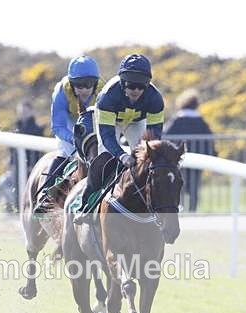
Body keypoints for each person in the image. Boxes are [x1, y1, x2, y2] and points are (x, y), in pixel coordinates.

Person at [73, 54, 165, 223]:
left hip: (137, 122)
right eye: (131, 85)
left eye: (141, 86)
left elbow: (154, 137)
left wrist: (142, 153)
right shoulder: (108, 97)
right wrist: (121, 155)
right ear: (123, 83)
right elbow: (107, 137)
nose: (136, 90)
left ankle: (155, 206)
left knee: (147, 160)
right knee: (104, 159)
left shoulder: (155, 99)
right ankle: (85, 204)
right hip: (111, 123)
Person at [33, 56, 104, 215]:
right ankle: (46, 196)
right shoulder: (61, 92)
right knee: (66, 153)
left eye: (89, 84)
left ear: (96, 83)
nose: (85, 89)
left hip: (94, 119)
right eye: (79, 85)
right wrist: (74, 139)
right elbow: (57, 126)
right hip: (70, 122)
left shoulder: (103, 91)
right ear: (71, 84)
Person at [163, 89, 215, 211]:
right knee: (194, 187)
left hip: (178, 159)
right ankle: (193, 210)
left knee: (178, 184)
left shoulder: (177, 120)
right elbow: (209, 140)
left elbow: (165, 135)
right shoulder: (201, 121)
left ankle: (180, 209)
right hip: (199, 159)